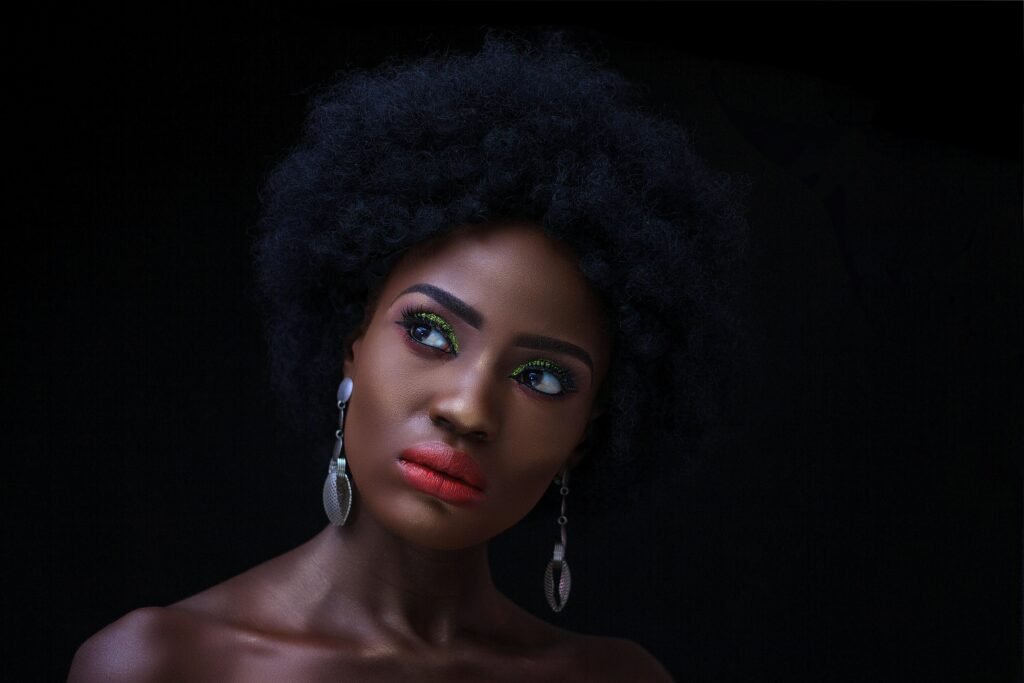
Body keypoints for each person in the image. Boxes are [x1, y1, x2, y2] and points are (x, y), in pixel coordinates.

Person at [68, 31, 747, 682]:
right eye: (429, 332)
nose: (467, 408)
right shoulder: (160, 666)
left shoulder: (617, 678)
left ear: (588, 432)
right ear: (351, 340)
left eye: (542, 376)